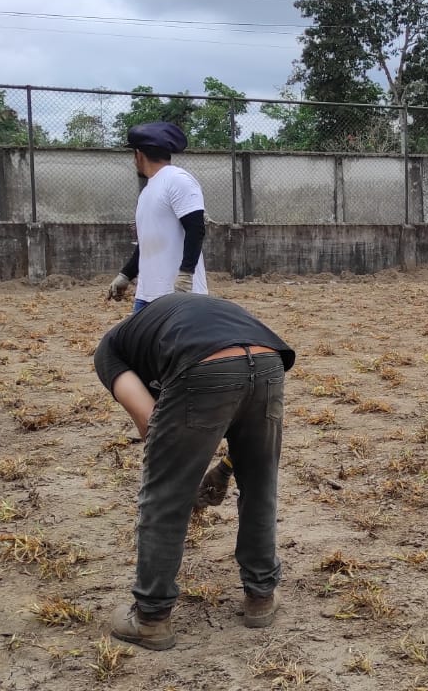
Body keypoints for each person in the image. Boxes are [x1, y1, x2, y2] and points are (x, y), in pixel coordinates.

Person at [93, 293, 296, 649]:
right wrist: (224, 468)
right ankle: (261, 596)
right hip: (268, 360)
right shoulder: (182, 316)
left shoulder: (108, 351)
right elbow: (240, 409)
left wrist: (183, 469)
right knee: (260, 484)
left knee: (165, 495)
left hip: (202, 365)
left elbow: (152, 424)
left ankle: (151, 618)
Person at [106, 121, 210, 313]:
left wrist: (186, 274)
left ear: (139, 154)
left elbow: (196, 228)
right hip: (146, 295)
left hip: (179, 296)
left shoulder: (178, 179)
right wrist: (126, 275)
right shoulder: (148, 190)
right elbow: (148, 243)